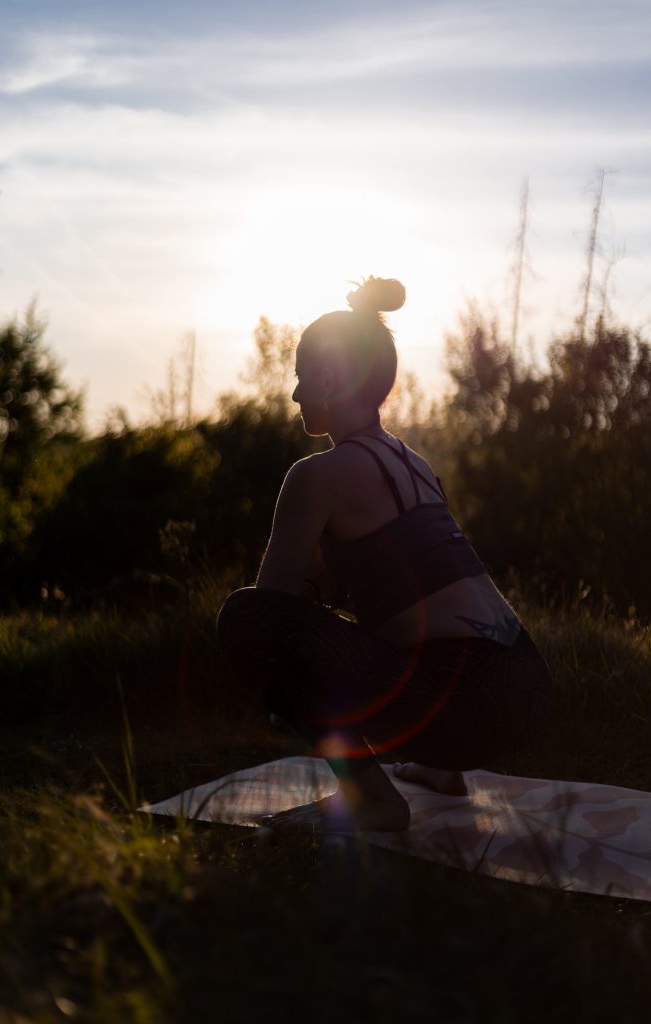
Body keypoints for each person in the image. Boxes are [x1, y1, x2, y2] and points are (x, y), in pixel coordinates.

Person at [215, 276, 553, 834]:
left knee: (244, 619)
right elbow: (406, 578)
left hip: (463, 705)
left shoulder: (316, 476)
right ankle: (443, 772)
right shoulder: (414, 464)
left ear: (326, 377)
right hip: (527, 687)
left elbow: (272, 610)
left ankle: (372, 797)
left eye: (301, 379)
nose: (296, 394)